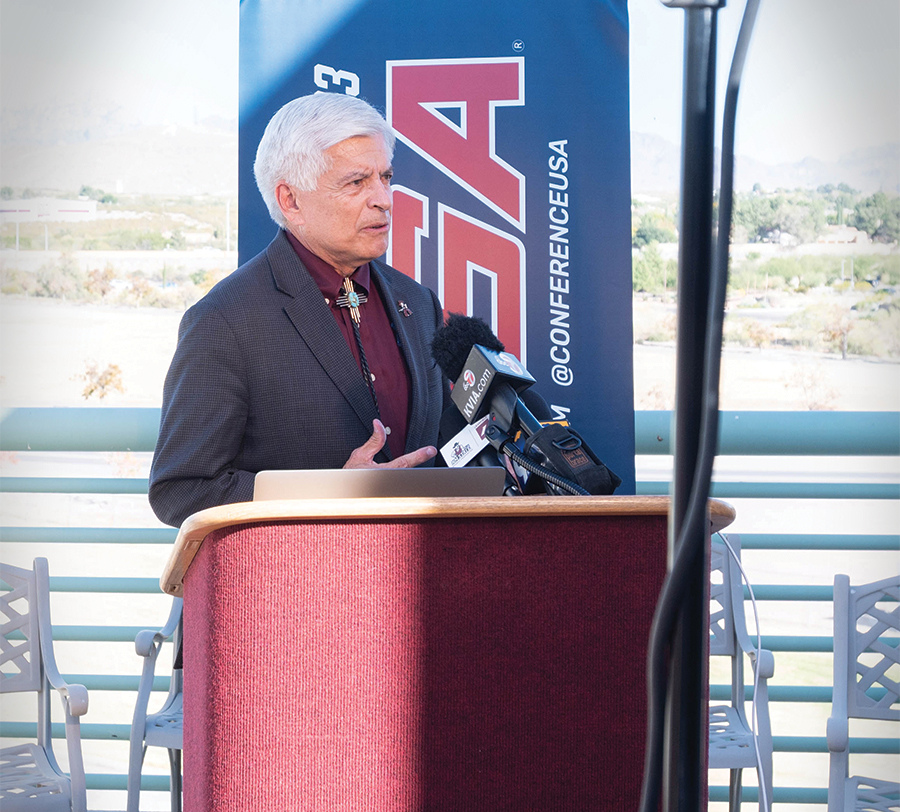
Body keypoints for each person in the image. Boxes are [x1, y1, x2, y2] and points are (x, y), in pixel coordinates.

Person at [149, 93, 449, 527]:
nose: (383, 198)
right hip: (295, 586)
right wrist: (328, 495)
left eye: (386, 177)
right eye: (356, 182)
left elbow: (441, 447)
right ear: (290, 201)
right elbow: (181, 489)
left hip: (411, 584)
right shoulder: (225, 321)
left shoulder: (418, 304)